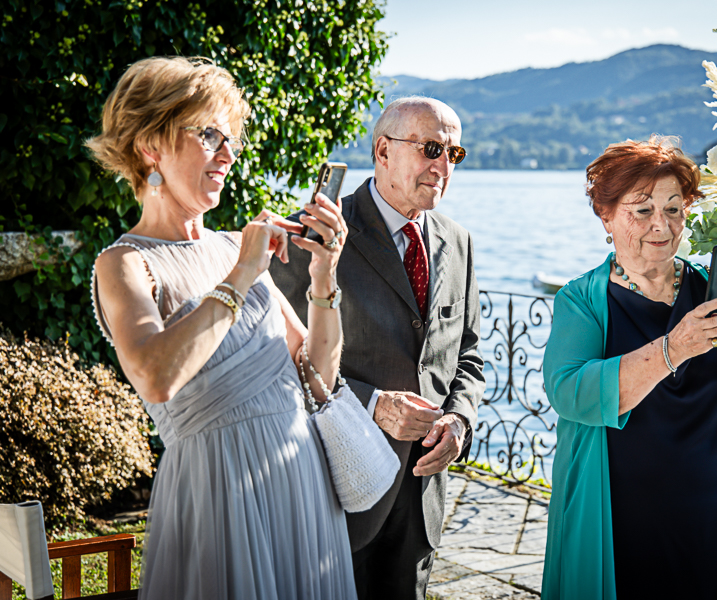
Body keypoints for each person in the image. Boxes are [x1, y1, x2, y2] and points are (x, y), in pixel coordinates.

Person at [87, 57, 357, 600]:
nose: (228, 155)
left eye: (230, 138)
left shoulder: (236, 245)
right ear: (150, 146)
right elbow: (155, 376)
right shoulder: (124, 264)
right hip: (218, 492)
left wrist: (324, 276)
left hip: (300, 480)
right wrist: (241, 275)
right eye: (210, 135)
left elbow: (316, 371)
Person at [541, 136, 717, 600]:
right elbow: (569, 391)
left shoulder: (713, 292)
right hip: (623, 524)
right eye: (642, 210)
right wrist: (672, 350)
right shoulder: (581, 300)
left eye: (674, 209)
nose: (661, 225)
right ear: (607, 216)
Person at [270, 96, 484, 600]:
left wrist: (460, 422)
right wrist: (371, 404)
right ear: (383, 151)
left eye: (454, 154)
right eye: (431, 147)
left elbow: (468, 353)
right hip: (337, 489)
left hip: (422, 494)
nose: (442, 165)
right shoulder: (316, 234)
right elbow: (279, 359)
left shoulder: (460, 240)